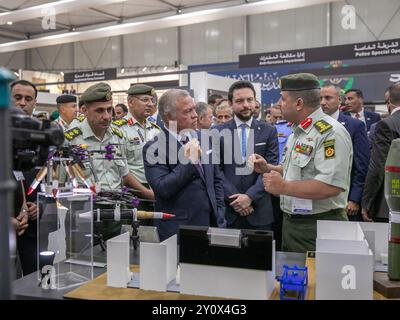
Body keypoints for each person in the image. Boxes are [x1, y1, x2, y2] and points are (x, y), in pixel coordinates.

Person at [252, 73, 353, 253]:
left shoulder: (331, 133)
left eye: (283, 99)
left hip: (319, 227)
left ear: (298, 103)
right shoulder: (298, 132)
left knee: (318, 281)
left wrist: (283, 187)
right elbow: (295, 171)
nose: (279, 104)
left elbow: (331, 186)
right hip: (292, 224)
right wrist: (269, 168)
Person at [143, 89, 226, 241]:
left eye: (194, 108)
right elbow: (163, 189)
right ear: (169, 116)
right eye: (187, 111)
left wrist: (219, 213)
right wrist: (189, 161)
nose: (195, 115)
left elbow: (216, 180)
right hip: (178, 230)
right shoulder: (154, 148)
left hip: (211, 224)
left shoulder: (205, 138)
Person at [215, 80, 279, 231]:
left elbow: (270, 168)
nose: (246, 105)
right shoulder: (217, 133)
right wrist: (237, 200)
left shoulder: (269, 131)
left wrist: (250, 197)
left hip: (260, 210)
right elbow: (216, 171)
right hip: (229, 211)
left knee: (260, 255)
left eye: (249, 100)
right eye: (239, 101)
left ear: (255, 101)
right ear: (230, 103)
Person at [320, 85, 370, 221]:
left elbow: (361, 166)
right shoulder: (313, 126)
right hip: (320, 200)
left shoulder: (354, 126)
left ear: (339, 100)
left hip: (345, 201)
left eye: (328, 98)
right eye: (320, 98)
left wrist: (354, 198)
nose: (323, 102)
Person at [111, 84, 159, 208]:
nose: (150, 104)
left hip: (157, 189)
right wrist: (147, 193)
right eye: (145, 100)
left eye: (151, 100)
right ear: (131, 102)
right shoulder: (119, 129)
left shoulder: (155, 130)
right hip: (134, 193)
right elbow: (120, 170)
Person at [10, 80, 39, 276]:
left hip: (31, 228)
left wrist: (38, 205)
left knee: (33, 283)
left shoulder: (38, 137)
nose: (22, 103)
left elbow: (42, 179)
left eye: (28, 99)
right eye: (17, 97)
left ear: (34, 103)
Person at [361, 82, 400, 222]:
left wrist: (366, 202)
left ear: (389, 102)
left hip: (392, 205)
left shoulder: (386, 125)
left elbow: (378, 167)